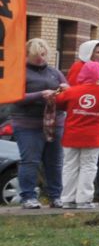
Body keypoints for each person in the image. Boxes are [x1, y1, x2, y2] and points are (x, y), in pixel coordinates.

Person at [53, 61, 99, 211]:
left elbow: (58, 102)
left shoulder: (72, 91)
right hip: (92, 137)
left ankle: (67, 199)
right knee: (88, 167)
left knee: (70, 166)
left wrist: (59, 91)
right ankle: (84, 199)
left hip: (71, 135)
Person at [9, 38, 65, 209]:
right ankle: (28, 196)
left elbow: (68, 91)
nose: (40, 58)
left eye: (43, 54)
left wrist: (64, 90)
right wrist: (40, 94)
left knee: (55, 161)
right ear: (27, 55)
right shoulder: (20, 72)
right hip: (28, 125)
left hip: (55, 123)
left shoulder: (55, 73)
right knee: (30, 161)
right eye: (35, 56)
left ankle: (55, 196)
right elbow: (16, 97)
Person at [68, 41, 99, 203]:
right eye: (97, 52)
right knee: (78, 162)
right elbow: (71, 93)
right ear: (89, 53)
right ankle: (77, 196)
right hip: (84, 122)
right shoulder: (78, 68)